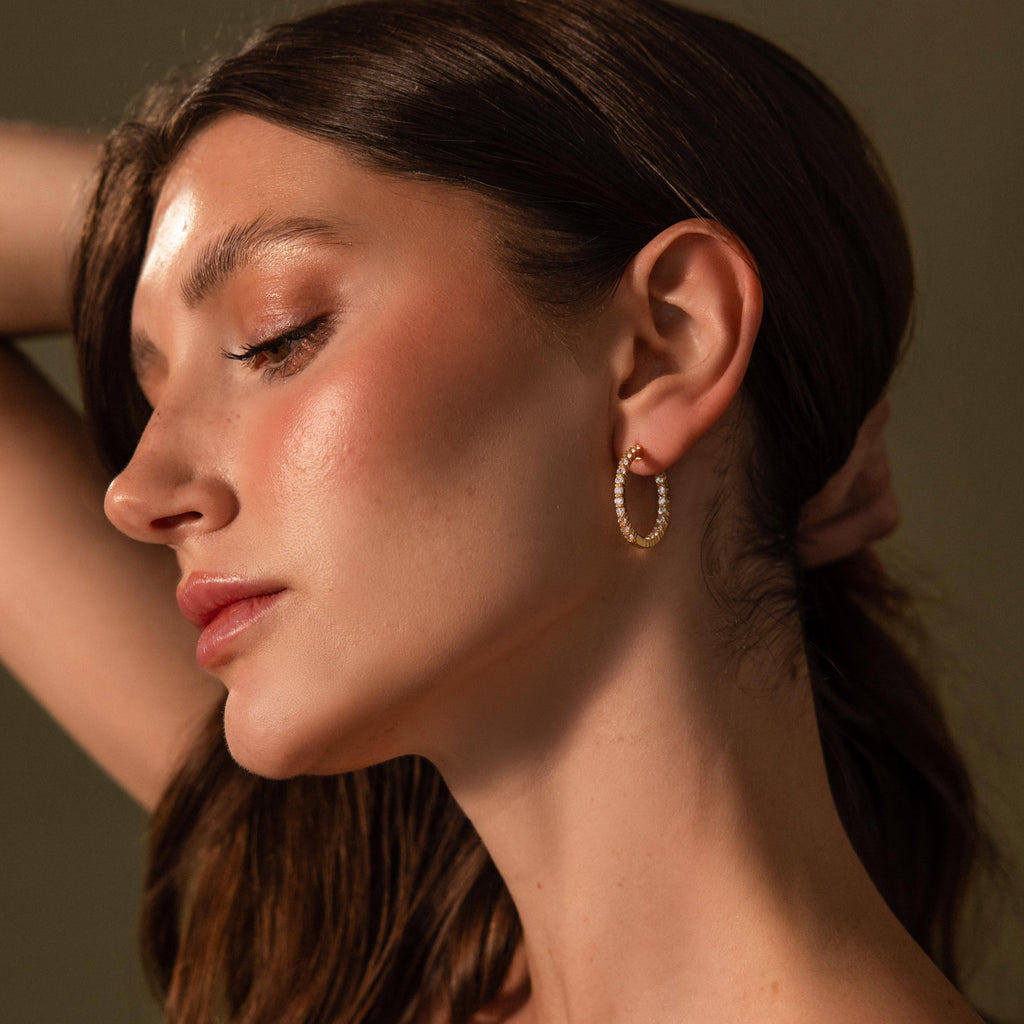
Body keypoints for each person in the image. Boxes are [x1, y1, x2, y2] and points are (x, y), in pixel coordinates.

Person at [0, 0, 997, 1020]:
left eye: (275, 336)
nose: (136, 493)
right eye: (155, 392)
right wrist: (178, 219)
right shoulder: (360, 945)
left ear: (665, 342)